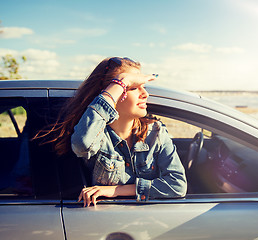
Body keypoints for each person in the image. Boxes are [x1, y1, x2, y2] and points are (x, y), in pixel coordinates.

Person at [40, 57, 187, 207]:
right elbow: (82, 143)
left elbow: (177, 186)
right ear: (114, 93)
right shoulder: (98, 136)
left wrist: (117, 190)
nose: (145, 94)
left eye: (144, 87)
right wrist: (121, 81)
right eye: (133, 87)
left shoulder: (155, 132)